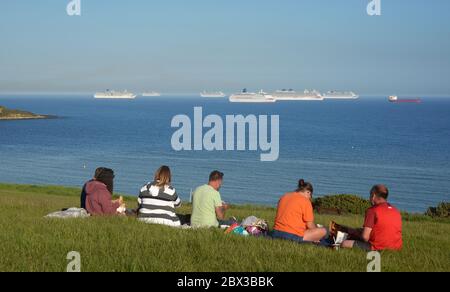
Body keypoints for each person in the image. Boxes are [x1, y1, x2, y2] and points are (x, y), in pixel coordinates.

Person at [340, 185, 403, 251]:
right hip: (396, 248)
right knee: (359, 231)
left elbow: (365, 237)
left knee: (345, 243)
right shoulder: (395, 210)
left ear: (373, 196)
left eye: (370, 195)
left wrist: (356, 235)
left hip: (377, 247)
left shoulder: (372, 211)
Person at [271, 179, 328, 244]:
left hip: (275, 232)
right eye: (310, 196)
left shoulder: (284, 196)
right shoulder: (305, 201)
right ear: (308, 192)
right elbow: (310, 225)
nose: (310, 198)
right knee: (323, 231)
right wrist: (316, 235)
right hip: (292, 235)